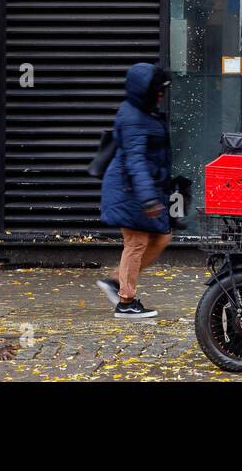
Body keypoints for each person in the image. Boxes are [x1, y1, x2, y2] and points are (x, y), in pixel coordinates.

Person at [96, 63, 174, 319]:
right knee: (137, 241)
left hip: (138, 187)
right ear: (146, 91)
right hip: (129, 189)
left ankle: (117, 281)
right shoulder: (133, 117)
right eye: (158, 91)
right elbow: (136, 161)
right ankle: (126, 302)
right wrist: (149, 197)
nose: (162, 95)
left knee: (161, 238)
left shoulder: (144, 111)